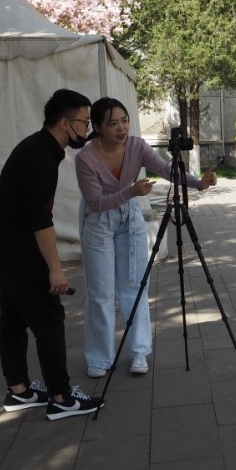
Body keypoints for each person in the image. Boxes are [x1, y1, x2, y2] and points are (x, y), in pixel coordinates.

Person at [74, 97, 217, 378]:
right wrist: (130, 192)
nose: (121, 128)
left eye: (125, 121)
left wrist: (198, 183)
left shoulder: (137, 146)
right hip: (98, 221)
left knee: (135, 285)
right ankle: (100, 357)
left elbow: (167, 171)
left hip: (129, 218)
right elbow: (95, 203)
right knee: (101, 292)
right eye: (112, 124)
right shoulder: (85, 158)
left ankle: (139, 351)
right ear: (98, 128)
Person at [0, 88, 105, 420]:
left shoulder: (39, 148)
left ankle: (20, 391)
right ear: (65, 123)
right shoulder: (40, 157)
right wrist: (55, 269)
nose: (87, 129)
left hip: (5, 246)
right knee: (49, 318)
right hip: (17, 250)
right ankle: (62, 397)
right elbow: (40, 220)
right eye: (84, 122)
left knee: (14, 318)